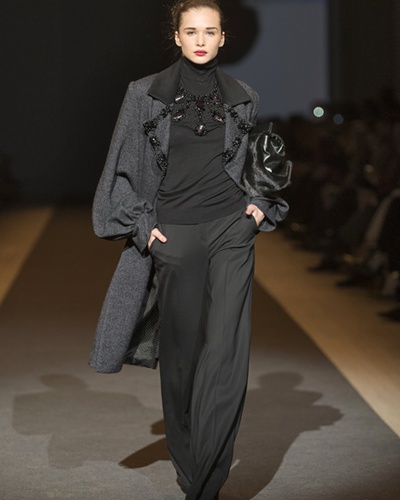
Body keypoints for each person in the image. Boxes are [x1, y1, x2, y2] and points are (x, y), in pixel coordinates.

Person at [89, 1, 289, 498]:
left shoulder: (245, 97)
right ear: (176, 37)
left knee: (226, 352)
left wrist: (259, 204)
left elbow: (254, 163)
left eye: (210, 31)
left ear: (223, 38)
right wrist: (142, 225)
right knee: (181, 358)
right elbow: (121, 165)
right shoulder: (143, 94)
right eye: (192, 31)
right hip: (173, 235)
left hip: (231, 230)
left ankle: (207, 482)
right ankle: (188, 462)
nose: (201, 40)